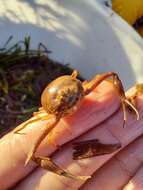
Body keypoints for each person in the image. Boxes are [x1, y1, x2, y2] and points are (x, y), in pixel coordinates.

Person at [0, 81, 142, 190]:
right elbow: (32, 154)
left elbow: (111, 75)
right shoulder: (54, 115)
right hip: (60, 107)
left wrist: (122, 97)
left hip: (74, 93)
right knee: (32, 151)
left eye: (73, 101)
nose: (73, 104)